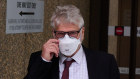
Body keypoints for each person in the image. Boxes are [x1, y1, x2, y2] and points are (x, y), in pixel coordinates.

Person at [24, 5, 120, 79]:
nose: (67, 39)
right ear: (54, 34)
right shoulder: (40, 59)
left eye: (72, 33)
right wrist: (44, 61)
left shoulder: (105, 62)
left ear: (82, 32)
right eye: (61, 33)